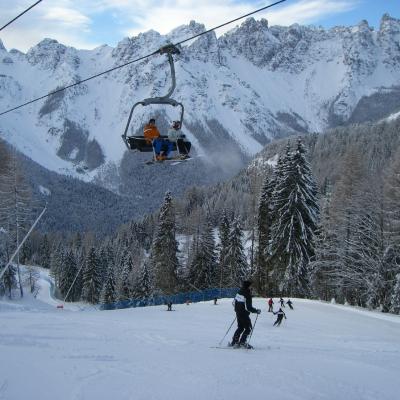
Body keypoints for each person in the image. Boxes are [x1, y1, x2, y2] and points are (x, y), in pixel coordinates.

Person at [230, 280, 261, 349]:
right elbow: (249, 308)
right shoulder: (247, 294)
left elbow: (233, 303)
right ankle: (242, 343)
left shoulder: (239, 291)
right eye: (251, 286)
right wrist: (256, 311)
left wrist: (238, 309)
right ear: (248, 286)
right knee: (248, 328)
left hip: (238, 312)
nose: (252, 287)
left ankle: (234, 342)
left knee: (240, 327)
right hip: (243, 314)